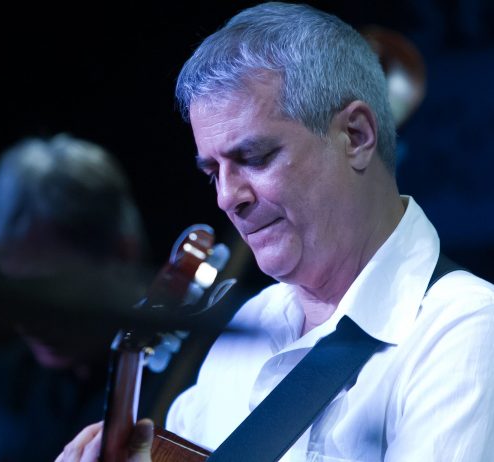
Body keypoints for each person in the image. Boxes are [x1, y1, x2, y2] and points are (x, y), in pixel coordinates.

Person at [57, 2, 494, 461]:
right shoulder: (248, 327)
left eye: (254, 157)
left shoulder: (465, 331)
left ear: (356, 135)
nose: (227, 197)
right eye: (213, 172)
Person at [0, 133, 153, 462]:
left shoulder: (189, 375)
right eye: (16, 293)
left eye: (50, 292)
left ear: (123, 253)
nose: (28, 322)